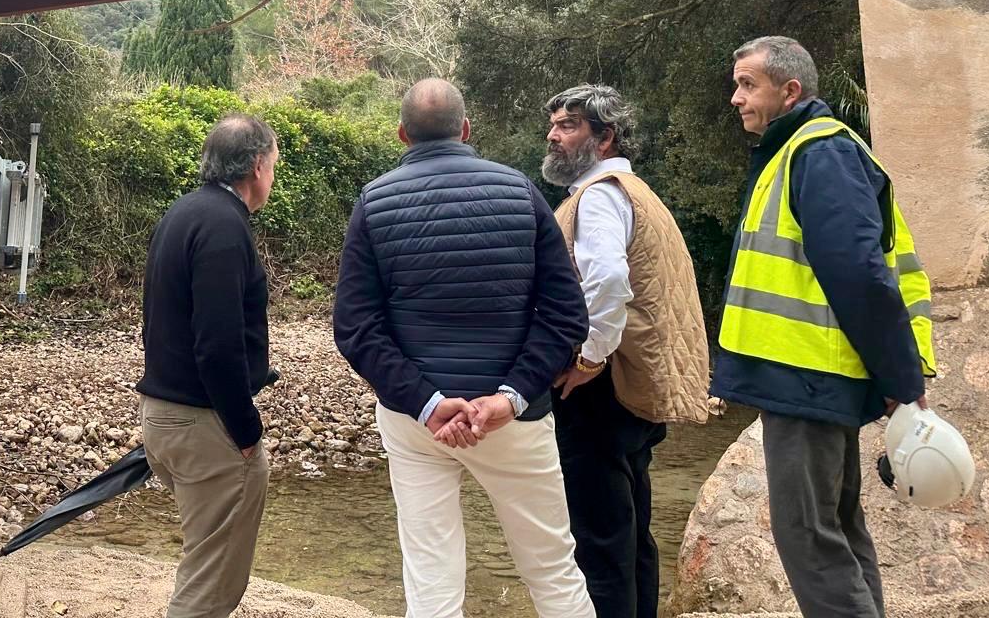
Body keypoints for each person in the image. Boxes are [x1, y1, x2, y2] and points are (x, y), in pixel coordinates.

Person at [334, 78, 595, 618]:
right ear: (466, 129)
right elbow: (568, 315)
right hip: (511, 418)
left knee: (431, 577)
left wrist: (426, 402)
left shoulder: (374, 202)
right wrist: (511, 396)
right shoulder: (521, 191)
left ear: (402, 134)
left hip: (417, 422)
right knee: (552, 568)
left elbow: (357, 328)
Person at [713, 36, 935, 618]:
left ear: (790, 91)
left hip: (807, 375)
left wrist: (902, 384)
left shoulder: (817, 152)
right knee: (833, 525)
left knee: (807, 535)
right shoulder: (801, 151)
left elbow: (860, 276)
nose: (735, 98)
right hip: (809, 373)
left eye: (747, 84)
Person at [542, 84, 709, 618]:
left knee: (600, 539)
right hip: (631, 383)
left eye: (568, 125)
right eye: (554, 124)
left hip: (602, 387)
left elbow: (608, 282)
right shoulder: (636, 191)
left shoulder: (600, 196)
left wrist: (589, 357)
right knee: (631, 529)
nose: (553, 135)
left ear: (604, 136)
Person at [136, 114, 280, 618]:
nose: (273, 175)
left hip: (163, 415)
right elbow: (216, 343)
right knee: (209, 587)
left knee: (203, 557)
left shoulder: (184, 212)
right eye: (274, 165)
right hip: (203, 423)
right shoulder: (223, 225)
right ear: (257, 165)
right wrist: (246, 429)